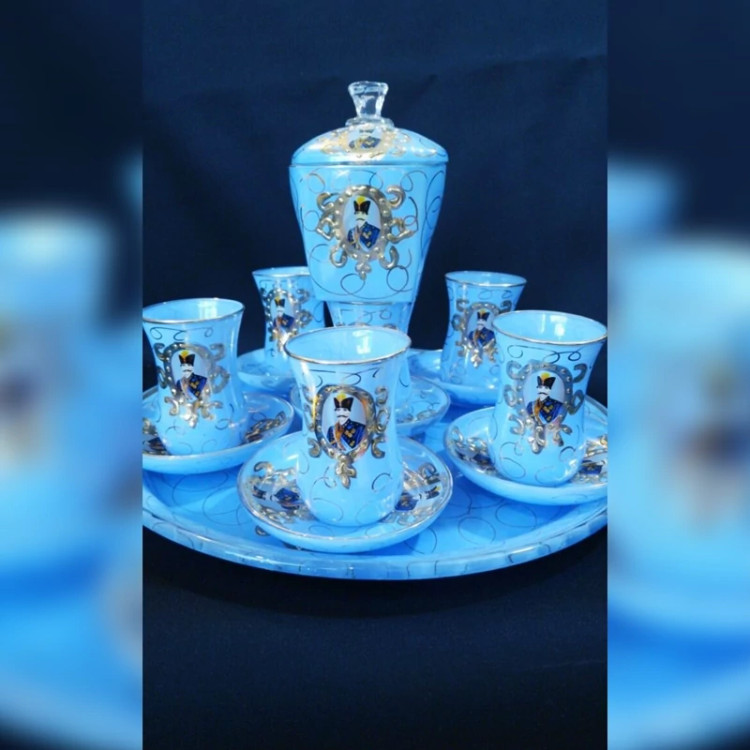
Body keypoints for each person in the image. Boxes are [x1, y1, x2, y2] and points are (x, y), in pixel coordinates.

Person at [526, 373, 565, 442]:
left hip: (550, 436)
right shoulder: (530, 405)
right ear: (537, 389)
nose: (542, 390)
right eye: (540, 387)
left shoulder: (558, 405)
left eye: (546, 388)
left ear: (550, 390)